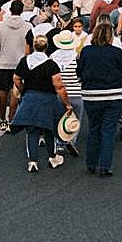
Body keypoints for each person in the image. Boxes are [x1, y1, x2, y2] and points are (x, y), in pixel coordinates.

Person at [76, 21, 122, 176]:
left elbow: (79, 72)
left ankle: (91, 164)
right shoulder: (116, 52)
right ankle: (105, 166)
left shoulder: (86, 52)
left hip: (92, 95)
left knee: (94, 128)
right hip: (114, 94)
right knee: (108, 130)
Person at [11, 35, 71, 172]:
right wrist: (67, 103)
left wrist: (24, 90)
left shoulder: (25, 61)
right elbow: (59, 86)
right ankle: (52, 158)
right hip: (47, 99)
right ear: (46, 47)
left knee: (32, 130)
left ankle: (33, 162)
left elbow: (16, 79)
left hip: (29, 98)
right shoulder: (51, 64)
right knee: (49, 129)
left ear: (33, 46)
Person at [0, 0, 31, 130]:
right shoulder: (28, 26)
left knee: (3, 91)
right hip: (20, 63)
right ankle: (12, 119)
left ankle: (2, 119)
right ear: (22, 11)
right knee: (17, 91)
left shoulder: (1, 26)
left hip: (4, 62)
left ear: (10, 10)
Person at [49, 29, 83, 157]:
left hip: (59, 93)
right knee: (75, 119)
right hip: (76, 91)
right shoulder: (77, 56)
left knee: (58, 117)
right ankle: (71, 140)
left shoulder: (53, 57)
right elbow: (81, 74)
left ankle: (59, 142)